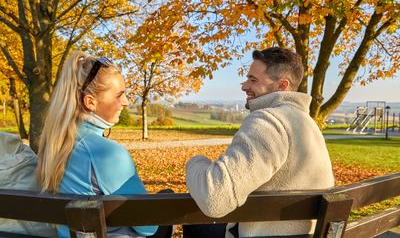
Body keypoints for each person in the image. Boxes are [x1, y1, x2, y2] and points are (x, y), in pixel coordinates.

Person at [184, 47, 334, 238]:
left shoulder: (269, 121)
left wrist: (195, 162)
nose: (244, 86)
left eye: (253, 80)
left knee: (192, 220)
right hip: (302, 234)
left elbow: (214, 198)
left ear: (282, 85)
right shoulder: (307, 123)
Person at [37, 51, 172, 238]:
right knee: (166, 198)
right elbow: (148, 227)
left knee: (164, 194)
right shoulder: (107, 154)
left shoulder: (54, 144)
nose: (125, 102)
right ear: (90, 102)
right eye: (119, 95)